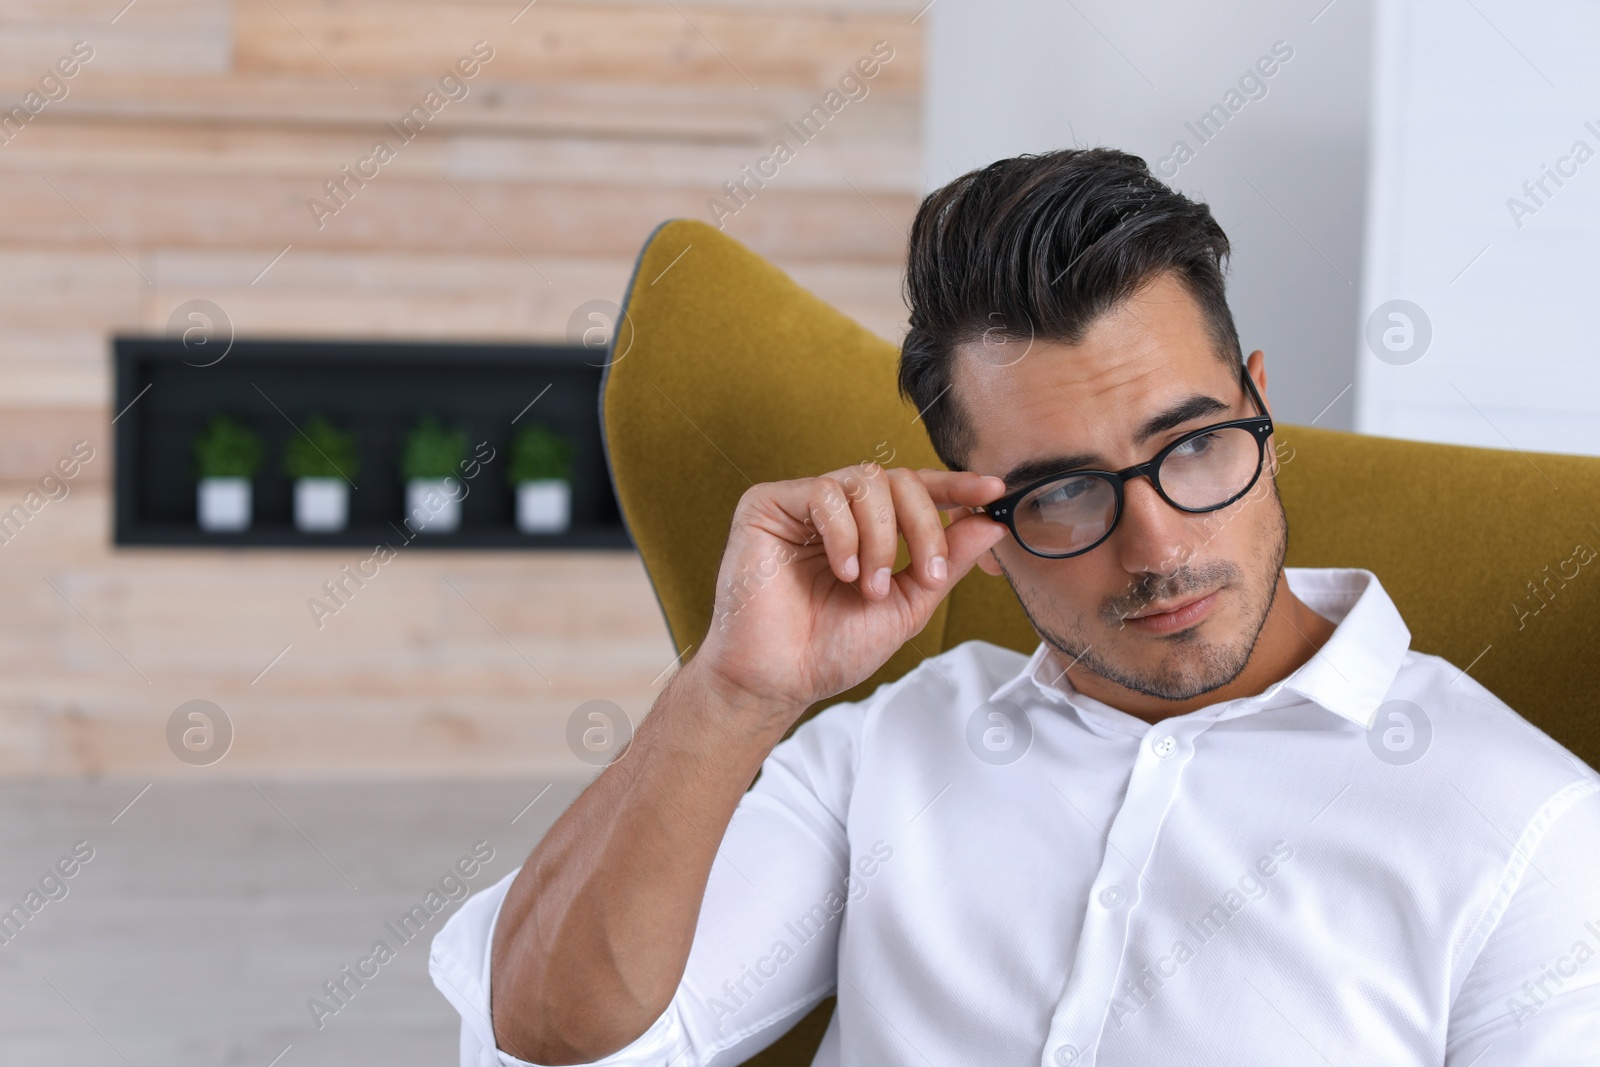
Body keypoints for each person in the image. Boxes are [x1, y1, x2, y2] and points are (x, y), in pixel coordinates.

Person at [430, 148, 1600, 1065]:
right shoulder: (896, 743)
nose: (1155, 545)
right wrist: (731, 693)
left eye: (1190, 447)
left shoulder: (1527, 829)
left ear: (1260, 409)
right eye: (1062, 490)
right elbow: (551, 1033)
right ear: (976, 521)